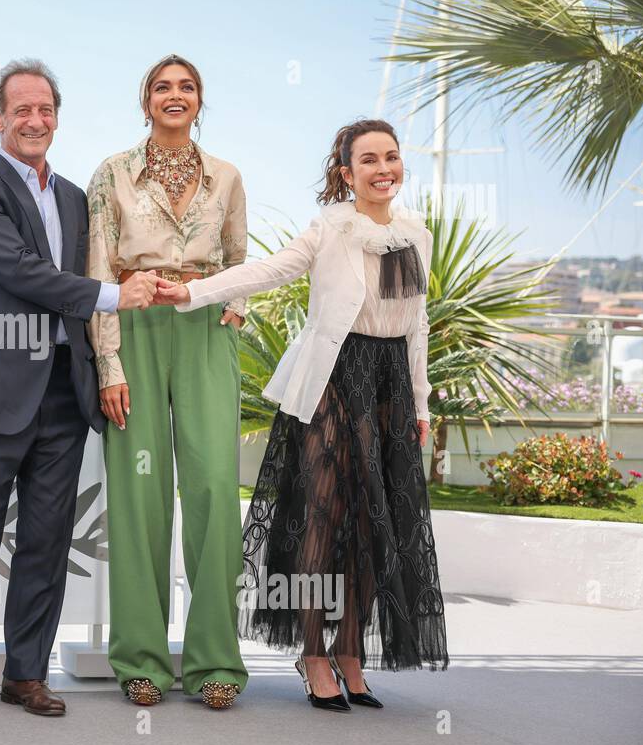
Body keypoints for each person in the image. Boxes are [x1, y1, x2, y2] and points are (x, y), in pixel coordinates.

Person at [154, 117, 449, 711]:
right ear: (347, 173)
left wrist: (420, 402)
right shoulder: (330, 228)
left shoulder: (416, 235)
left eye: (390, 157)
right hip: (334, 382)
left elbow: (416, 325)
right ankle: (313, 654)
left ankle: (350, 653)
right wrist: (191, 292)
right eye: (367, 160)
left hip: (390, 382)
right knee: (324, 519)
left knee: (375, 524)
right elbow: (267, 270)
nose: (382, 169)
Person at [0, 59, 159, 722]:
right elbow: (22, 271)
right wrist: (116, 295)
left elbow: (94, 260)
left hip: (64, 392)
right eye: (21, 109)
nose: (35, 120)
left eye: (45, 109)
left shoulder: (73, 199)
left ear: (56, 117)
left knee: (46, 542)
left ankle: (26, 671)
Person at [86, 54, 250, 709]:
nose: (174, 95)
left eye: (186, 87)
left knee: (213, 485)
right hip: (137, 328)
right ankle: (141, 659)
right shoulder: (111, 174)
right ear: (146, 100)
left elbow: (241, 258)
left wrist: (234, 306)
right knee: (139, 495)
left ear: (199, 101)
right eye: (162, 87)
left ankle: (216, 659)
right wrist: (109, 363)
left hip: (206, 330)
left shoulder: (229, 177)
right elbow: (100, 270)